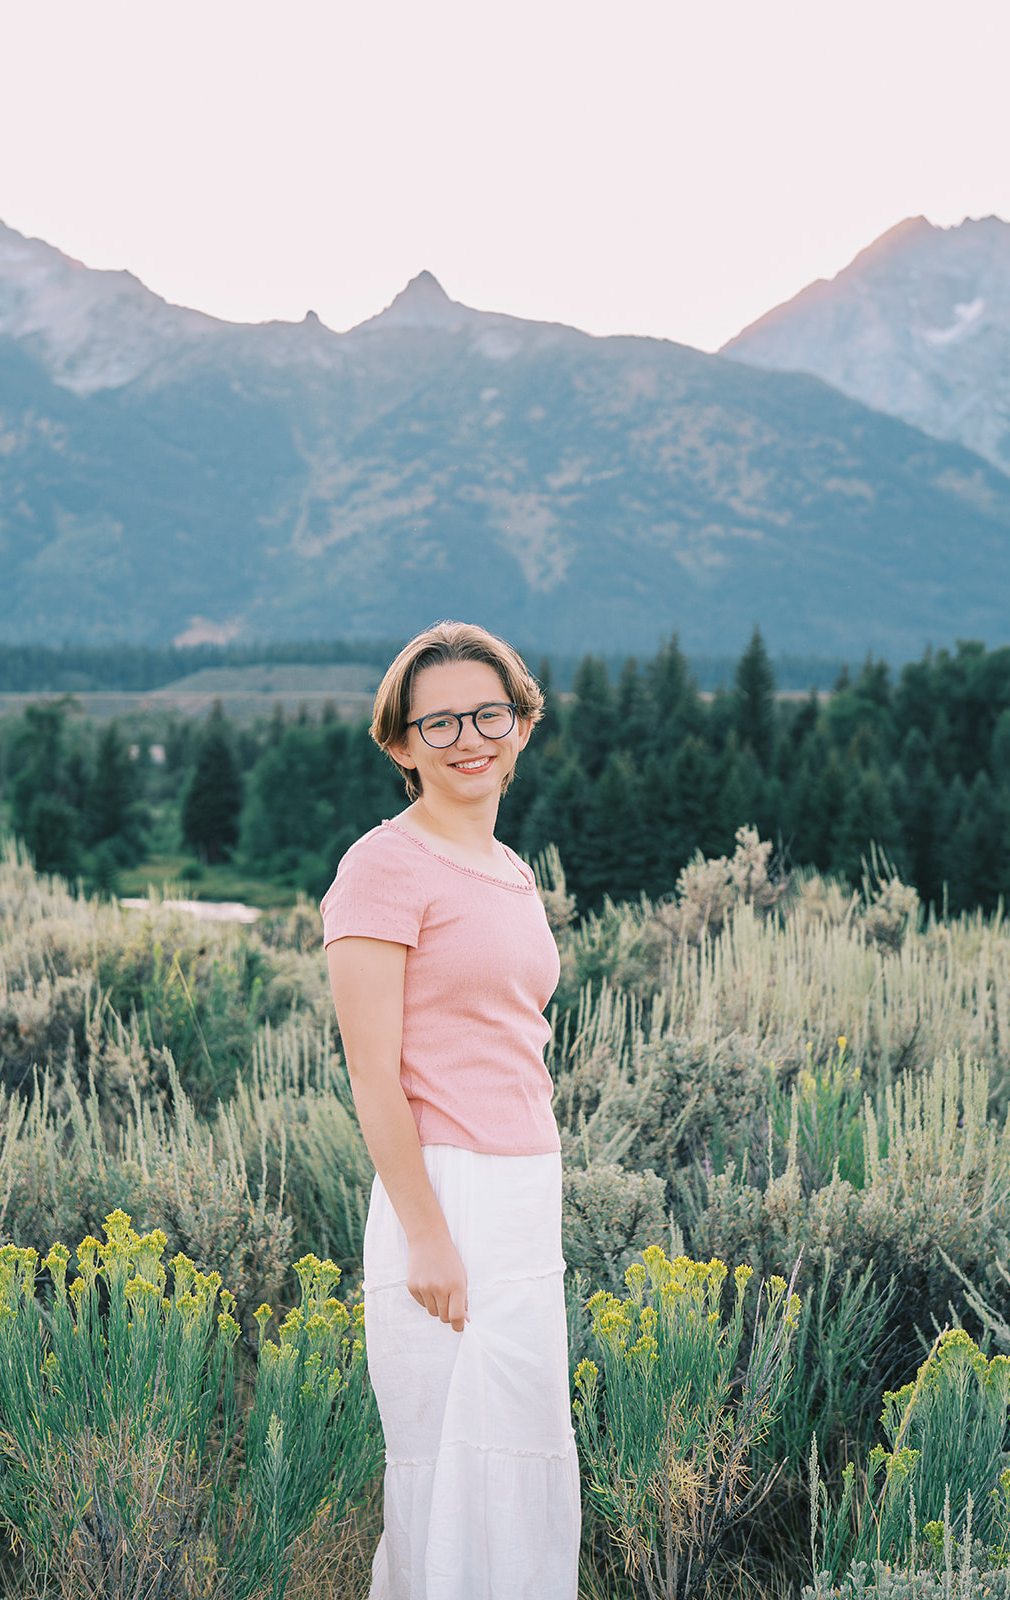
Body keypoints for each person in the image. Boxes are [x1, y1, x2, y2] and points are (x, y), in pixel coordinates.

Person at [321, 620, 580, 1600]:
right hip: (444, 1193)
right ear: (400, 742)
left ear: (521, 724)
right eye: (439, 723)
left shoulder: (509, 868)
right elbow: (372, 1074)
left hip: (521, 1195)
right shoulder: (381, 868)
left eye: (488, 713)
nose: (468, 737)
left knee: (518, 1446)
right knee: (449, 1464)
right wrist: (426, 1236)